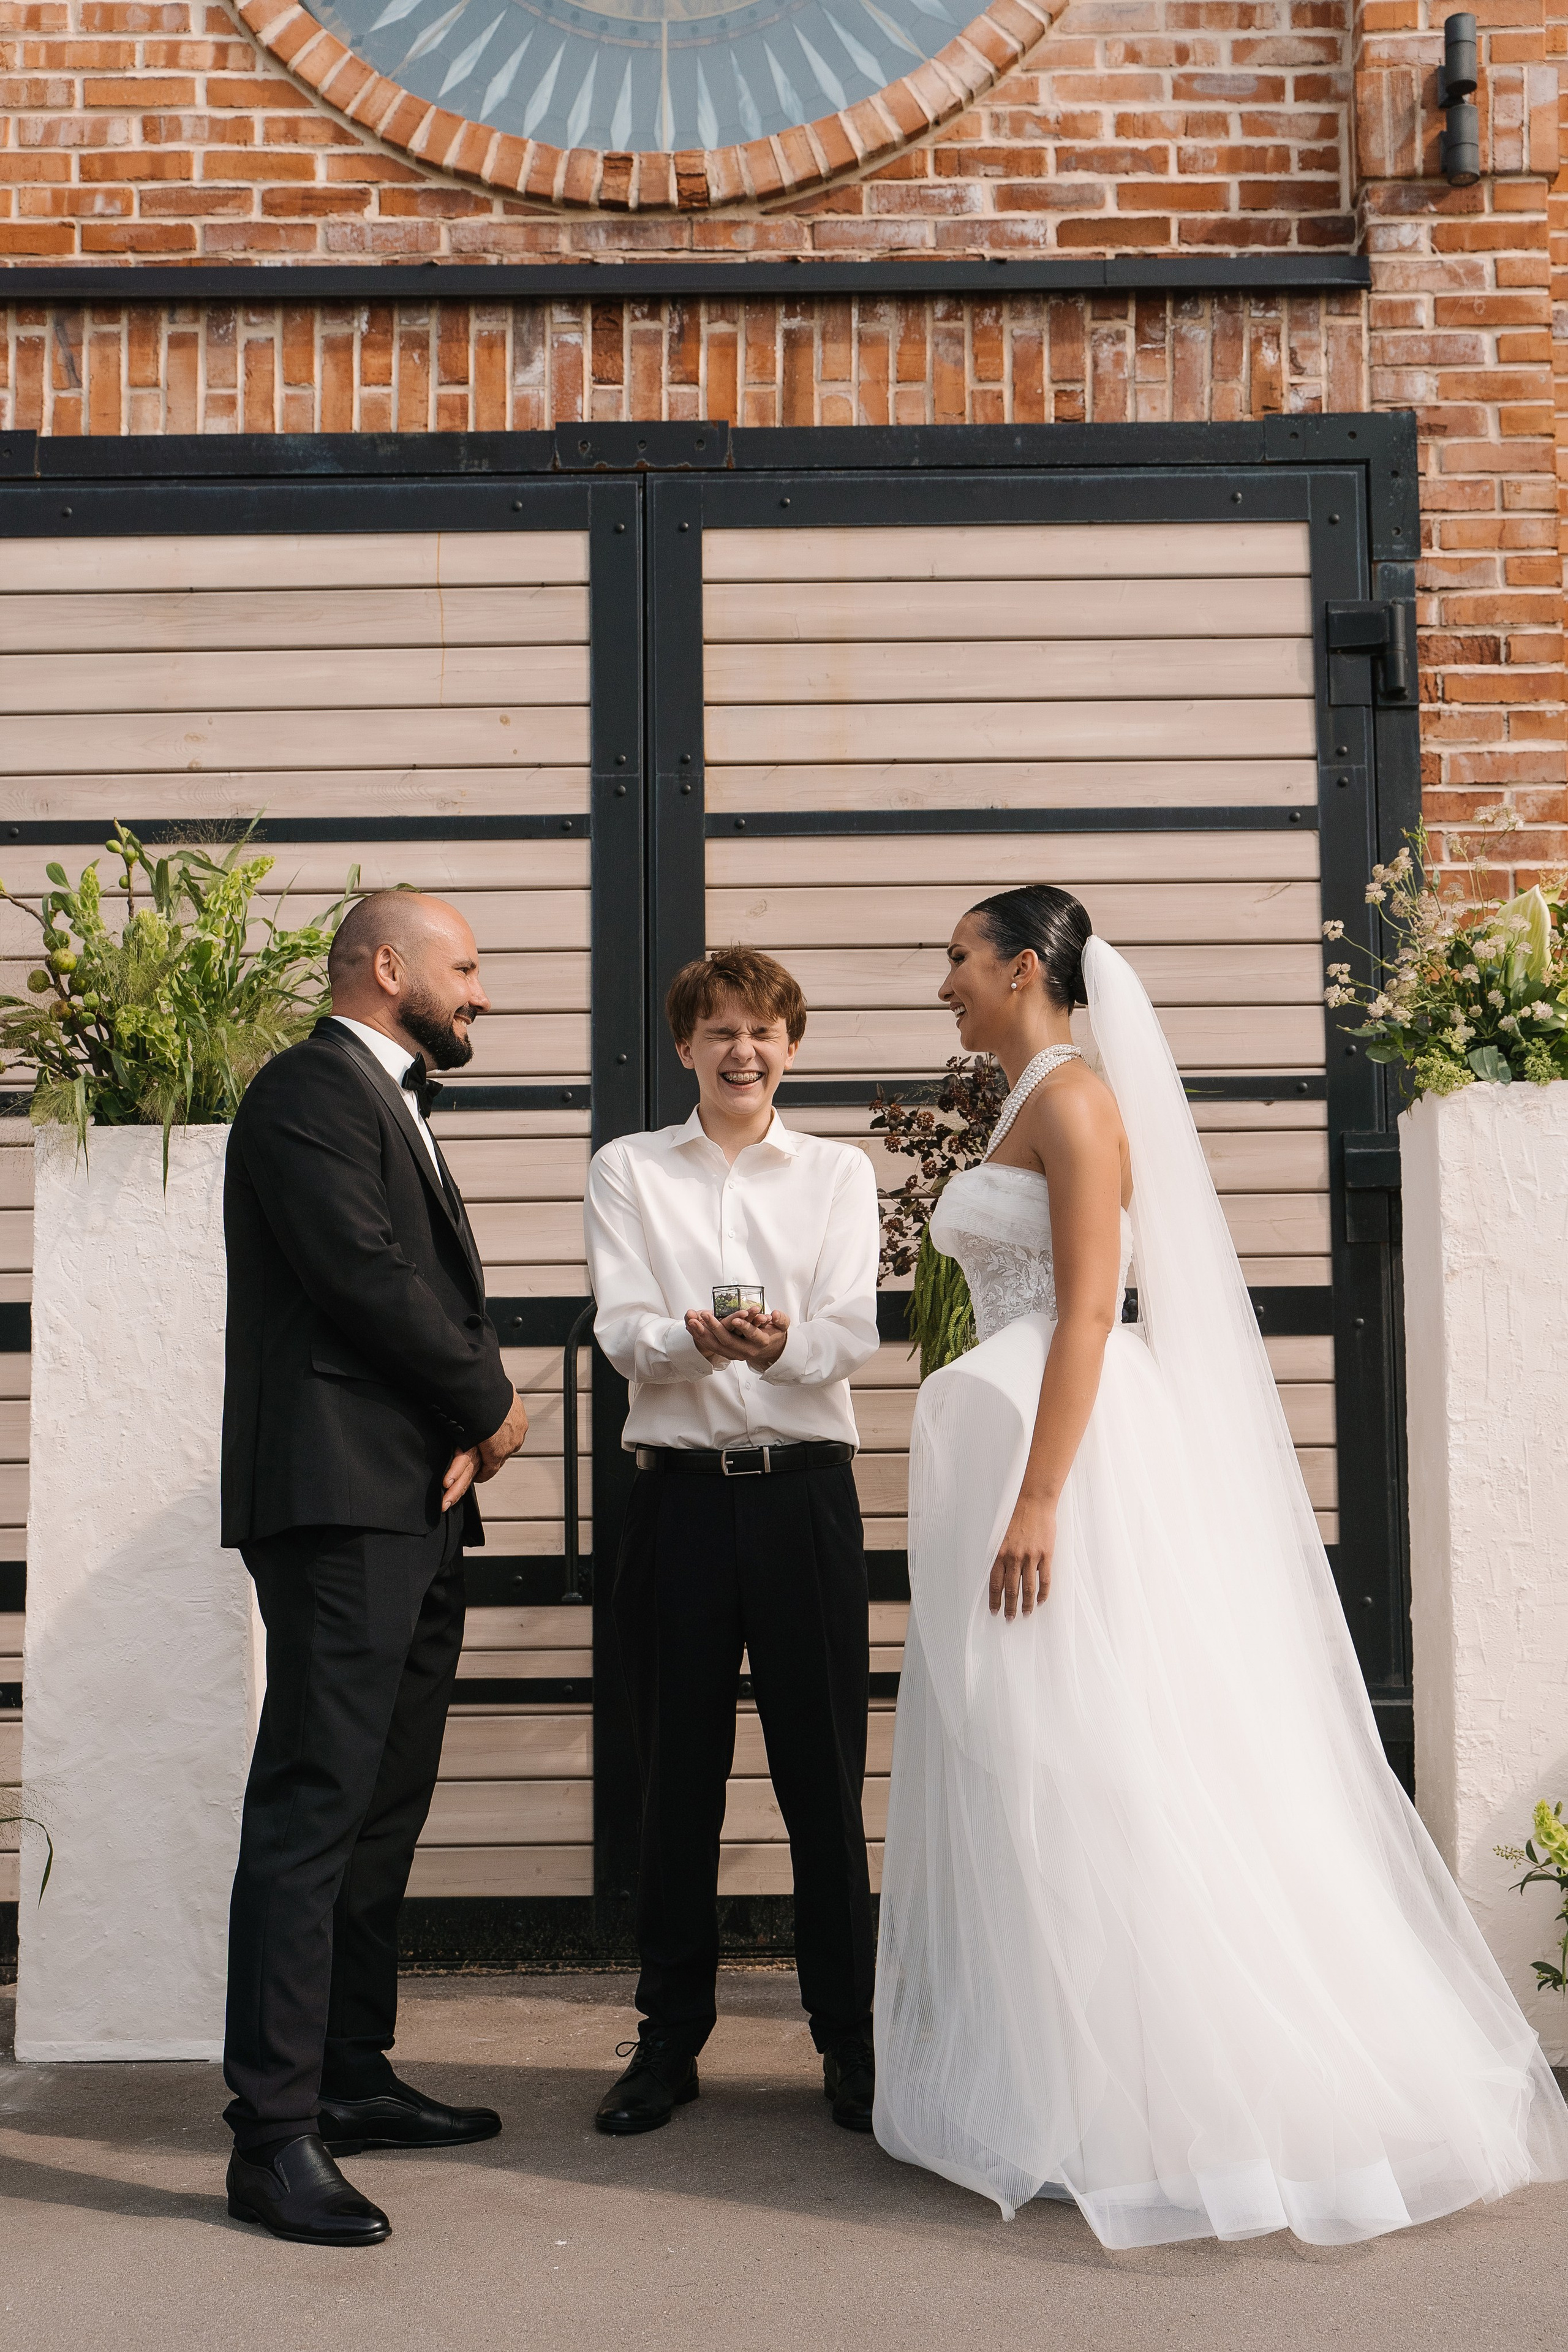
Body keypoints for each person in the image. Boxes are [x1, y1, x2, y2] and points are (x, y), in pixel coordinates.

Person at [873, 884, 1568, 2247]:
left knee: (1093, 1755)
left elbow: (1084, 1307)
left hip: (1069, 1468)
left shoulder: (1072, 1104)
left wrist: (1037, 1498)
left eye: (957, 960)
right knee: (1028, 1756)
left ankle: (1165, 2090)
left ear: (1022, 968)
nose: (942, 983)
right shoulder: (1026, 1098)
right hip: (1019, 1444)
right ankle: (1062, 2072)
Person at [220, 890, 530, 2248]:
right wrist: (490, 1402)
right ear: (387, 964)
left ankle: (348, 2076)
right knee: (313, 1804)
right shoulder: (307, 1089)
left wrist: (453, 1437)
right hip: (342, 1506)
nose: (482, 994)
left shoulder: (389, 1095)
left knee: (382, 1804)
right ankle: (271, 2138)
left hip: (411, 1501)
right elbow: (363, 1273)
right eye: (465, 970)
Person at [584, 947, 881, 2136]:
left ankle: (848, 2045)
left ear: (791, 1046)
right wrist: (688, 1343)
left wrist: (782, 1349)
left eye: (761, 1031)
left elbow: (851, 1326)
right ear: (683, 1048)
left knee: (822, 1784)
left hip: (803, 1496)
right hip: (676, 1501)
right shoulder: (627, 1171)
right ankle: (668, 2043)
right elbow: (618, 1327)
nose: (740, 1051)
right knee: (675, 1784)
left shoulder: (837, 1172)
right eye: (716, 1031)